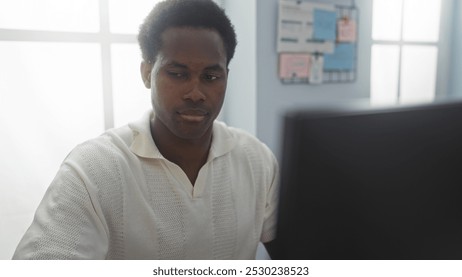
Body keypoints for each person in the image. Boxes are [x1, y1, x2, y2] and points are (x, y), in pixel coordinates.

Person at [13, 0, 279, 260]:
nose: (196, 93)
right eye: (177, 73)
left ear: (226, 77)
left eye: (210, 77)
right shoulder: (94, 169)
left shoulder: (257, 160)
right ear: (146, 73)